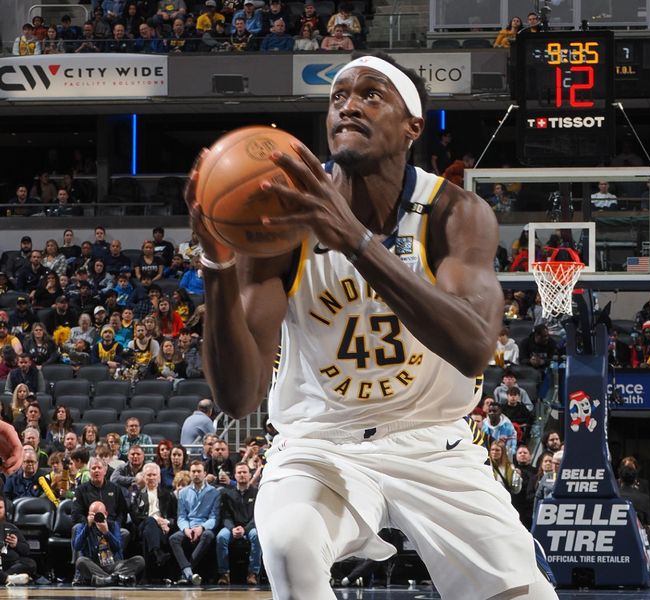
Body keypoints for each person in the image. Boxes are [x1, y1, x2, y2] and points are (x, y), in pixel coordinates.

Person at [184, 52, 558, 600]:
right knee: (289, 543)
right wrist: (216, 263)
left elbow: (475, 348)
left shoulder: (454, 212)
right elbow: (239, 399)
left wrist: (356, 243)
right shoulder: (282, 219)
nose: (349, 106)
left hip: (436, 444)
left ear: (413, 125)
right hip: (319, 443)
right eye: (338, 98)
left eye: (370, 95)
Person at [169, 460, 219, 585]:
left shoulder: (214, 492)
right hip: (189, 526)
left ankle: (186, 573)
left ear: (205, 473)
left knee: (208, 535)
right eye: (193, 471)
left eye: (199, 471)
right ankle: (189, 573)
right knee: (174, 538)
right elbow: (181, 516)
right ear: (190, 473)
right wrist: (186, 529)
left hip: (204, 527)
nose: (196, 474)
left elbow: (214, 518)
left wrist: (201, 528)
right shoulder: (183, 492)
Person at [74, 500, 144, 586]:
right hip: (95, 565)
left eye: (99, 514)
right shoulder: (83, 526)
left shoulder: (113, 525)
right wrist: (87, 527)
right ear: (88, 514)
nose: (96, 517)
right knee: (81, 561)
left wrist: (106, 532)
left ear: (106, 514)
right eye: (93, 514)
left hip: (113, 565)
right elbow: (77, 546)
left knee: (139, 560)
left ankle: (105, 580)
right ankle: (117, 579)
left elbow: (118, 547)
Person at [216, 462, 261, 585]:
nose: (242, 475)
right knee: (221, 537)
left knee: (257, 536)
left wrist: (245, 530)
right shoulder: (226, 493)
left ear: (250, 475)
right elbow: (225, 516)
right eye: (239, 472)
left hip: (250, 527)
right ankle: (224, 574)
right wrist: (232, 529)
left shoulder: (257, 493)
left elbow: (257, 516)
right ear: (234, 476)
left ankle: (253, 573)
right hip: (232, 528)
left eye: (244, 472)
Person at [132, 463, 177, 580]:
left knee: (150, 533)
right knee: (150, 521)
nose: (151, 477)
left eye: (154, 475)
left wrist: (167, 522)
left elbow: (174, 516)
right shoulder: (138, 495)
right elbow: (136, 516)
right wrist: (157, 520)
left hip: (163, 528)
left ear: (159, 477)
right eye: (148, 475)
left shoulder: (168, 494)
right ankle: (158, 553)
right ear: (144, 477)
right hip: (143, 525)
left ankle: (149, 574)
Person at [0, 492, 37, 585]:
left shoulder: (10, 527)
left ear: (5, 510)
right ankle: (7, 579)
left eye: (0, 508)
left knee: (30, 563)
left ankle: (5, 577)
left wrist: (16, 544)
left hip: (10, 565)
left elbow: (26, 550)